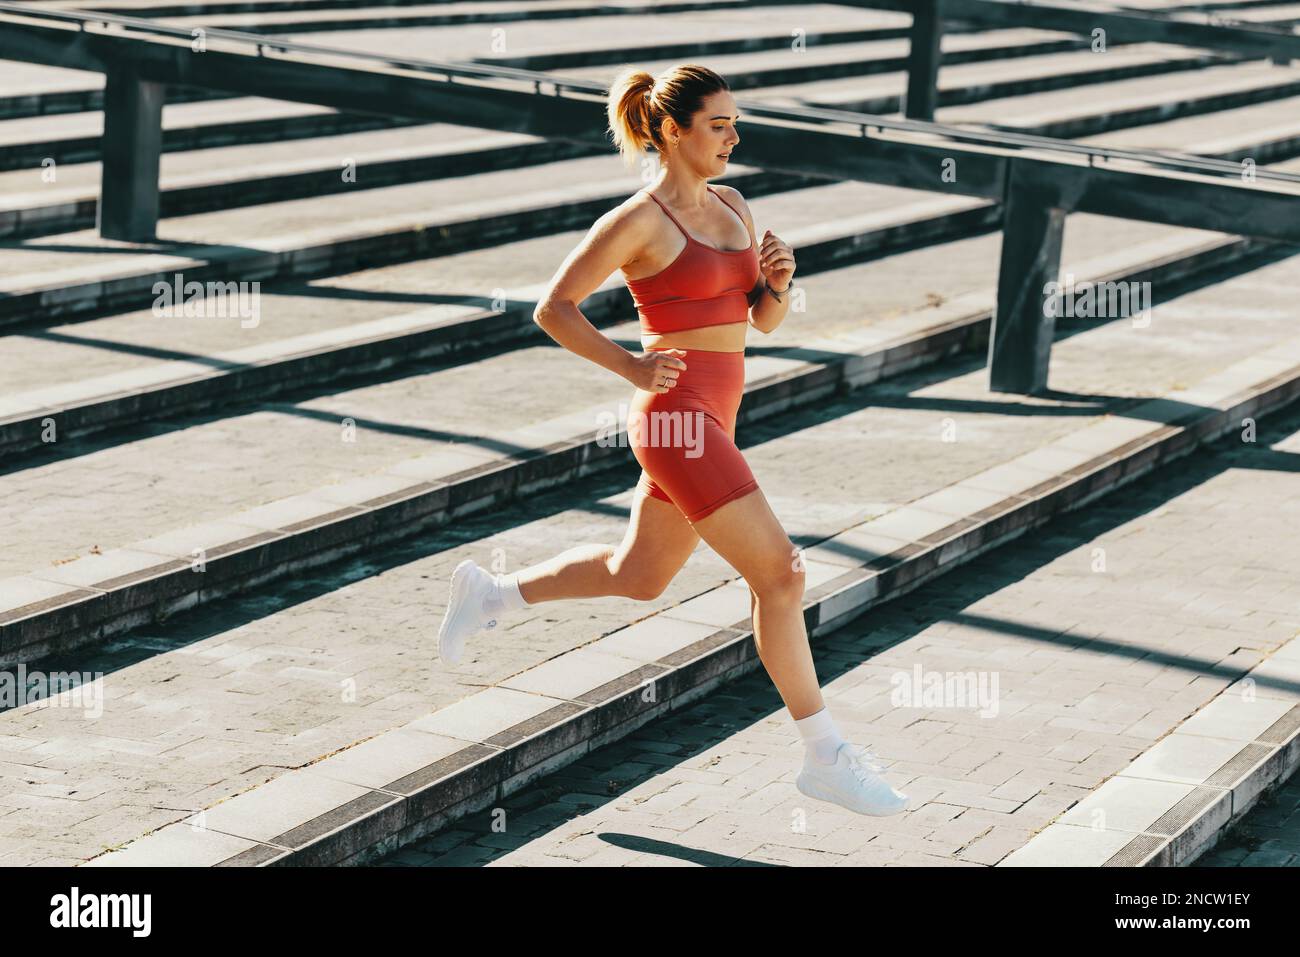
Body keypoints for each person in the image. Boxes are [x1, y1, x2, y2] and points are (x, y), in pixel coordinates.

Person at [436, 64, 907, 817]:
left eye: (733, 122)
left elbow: (762, 323)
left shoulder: (733, 202)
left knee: (640, 572)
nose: (732, 135)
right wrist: (632, 364)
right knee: (782, 575)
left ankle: (493, 592)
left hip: (714, 414)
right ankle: (825, 754)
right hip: (674, 419)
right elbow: (553, 308)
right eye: (717, 124)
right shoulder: (639, 220)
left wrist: (778, 284)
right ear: (672, 131)